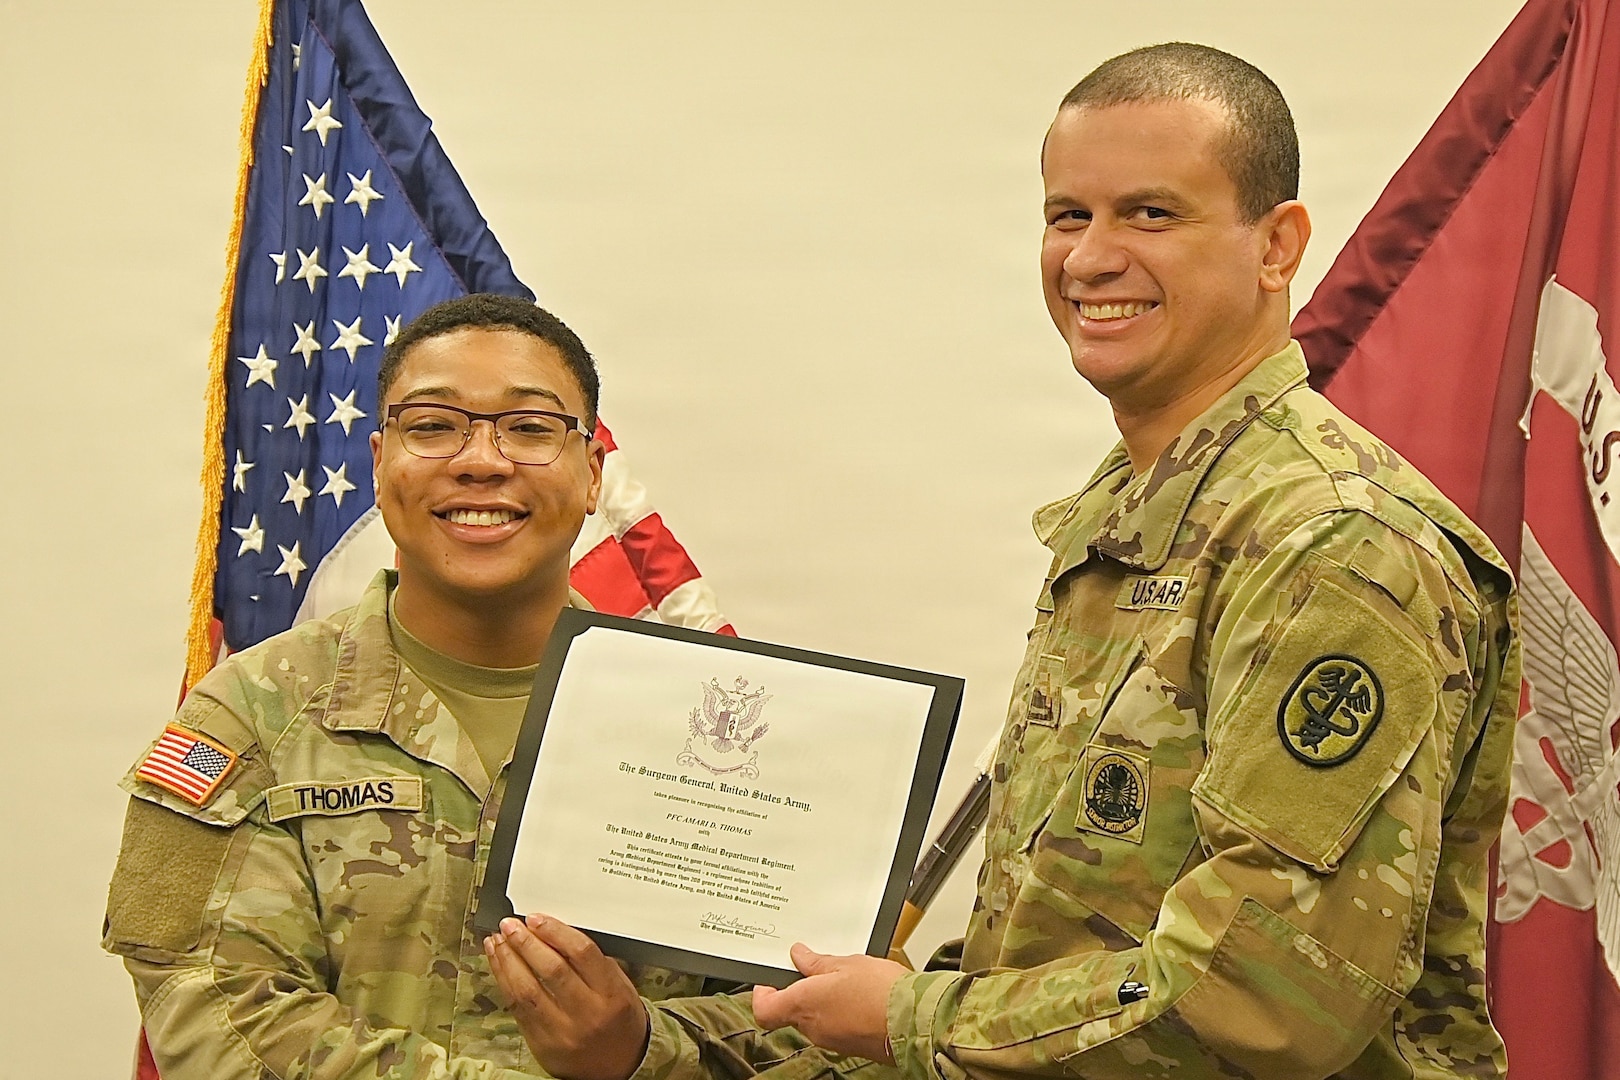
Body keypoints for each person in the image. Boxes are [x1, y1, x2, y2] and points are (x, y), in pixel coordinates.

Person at [483, 43, 1520, 1080]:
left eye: (1151, 214)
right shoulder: (1130, 514)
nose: (1091, 258)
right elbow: (1040, 964)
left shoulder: (1335, 542)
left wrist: (911, 1017)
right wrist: (646, 1049)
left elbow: (1258, 1004)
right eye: (1068, 215)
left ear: (1277, 244)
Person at [103, 293, 706, 1079]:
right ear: (379, 461)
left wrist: (639, 1056)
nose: (482, 460)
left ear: (592, 474)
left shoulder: (706, 728)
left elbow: (794, 1020)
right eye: (432, 426)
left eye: (529, 428)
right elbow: (222, 1015)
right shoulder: (248, 719)